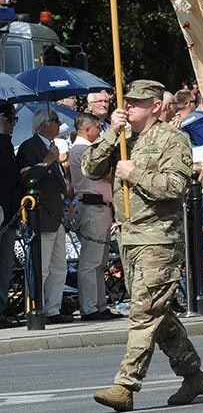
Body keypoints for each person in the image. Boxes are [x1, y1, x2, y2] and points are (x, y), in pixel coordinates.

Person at [84, 80, 203, 411]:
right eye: (127, 103)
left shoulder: (173, 139)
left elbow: (174, 187)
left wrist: (134, 172)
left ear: (155, 106)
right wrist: (112, 133)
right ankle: (193, 373)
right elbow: (90, 167)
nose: (129, 108)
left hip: (158, 237)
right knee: (158, 312)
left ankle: (125, 385)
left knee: (144, 311)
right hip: (129, 238)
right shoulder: (123, 139)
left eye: (137, 103)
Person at [17, 107, 71, 323]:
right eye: (55, 120)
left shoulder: (50, 147)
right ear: (43, 125)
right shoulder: (30, 147)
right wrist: (48, 160)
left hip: (55, 215)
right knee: (42, 267)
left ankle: (53, 308)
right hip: (40, 215)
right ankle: (36, 309)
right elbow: (27, 179)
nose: (59, 125)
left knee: (59, 267)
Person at [69, 112, 120, 321]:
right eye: (97, 128)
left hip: (101, 206)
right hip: (92, 206)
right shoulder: (82, 149)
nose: (99, 132)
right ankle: (89, 307)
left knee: (100, 260)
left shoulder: (85, 148)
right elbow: (104, 174)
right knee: (91, 260)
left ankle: (98, 304)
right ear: (87, 130)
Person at [0, 104, 20, 328]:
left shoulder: (6, 145)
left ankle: (1, 309)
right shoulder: (2, 143)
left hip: (9, 214)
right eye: (8, 120)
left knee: (5, 265)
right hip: (3, 211)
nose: (12, 124)